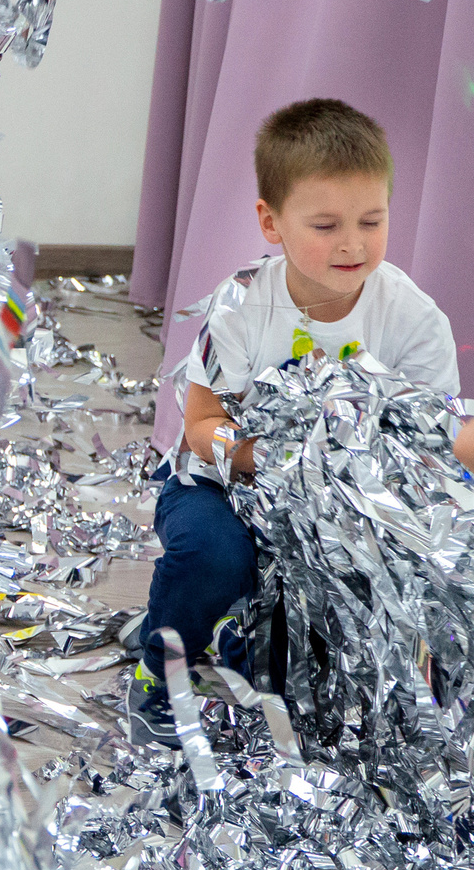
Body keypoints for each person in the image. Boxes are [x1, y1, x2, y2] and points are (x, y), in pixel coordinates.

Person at [130, 97, 473, 744]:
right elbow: (200, 425)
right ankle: (158, 671)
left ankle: (242, 645)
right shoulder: (239, 307)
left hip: (346, 508)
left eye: (372, 221)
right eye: (326, 225)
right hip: (223, 484)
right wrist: (278, 462)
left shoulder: (413, 316)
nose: (353, 243)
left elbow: (441, 434)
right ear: (271, 222)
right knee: (212, 557)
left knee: (305, 652)